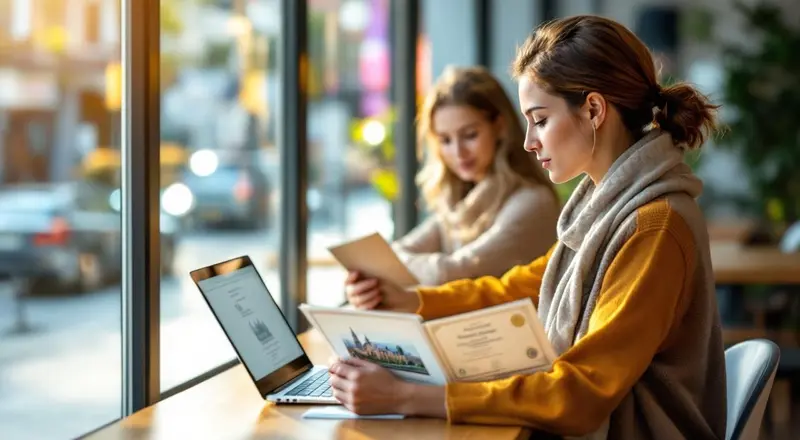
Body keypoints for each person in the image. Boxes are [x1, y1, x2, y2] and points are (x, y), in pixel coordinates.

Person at [333, 15, 726, 440]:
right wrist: (411, 301)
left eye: (539, 119)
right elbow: (520, 288)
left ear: (593, 109)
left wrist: (405, 398)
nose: (528, 142)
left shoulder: (653, 226)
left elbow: (580, 394)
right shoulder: (603, 208)